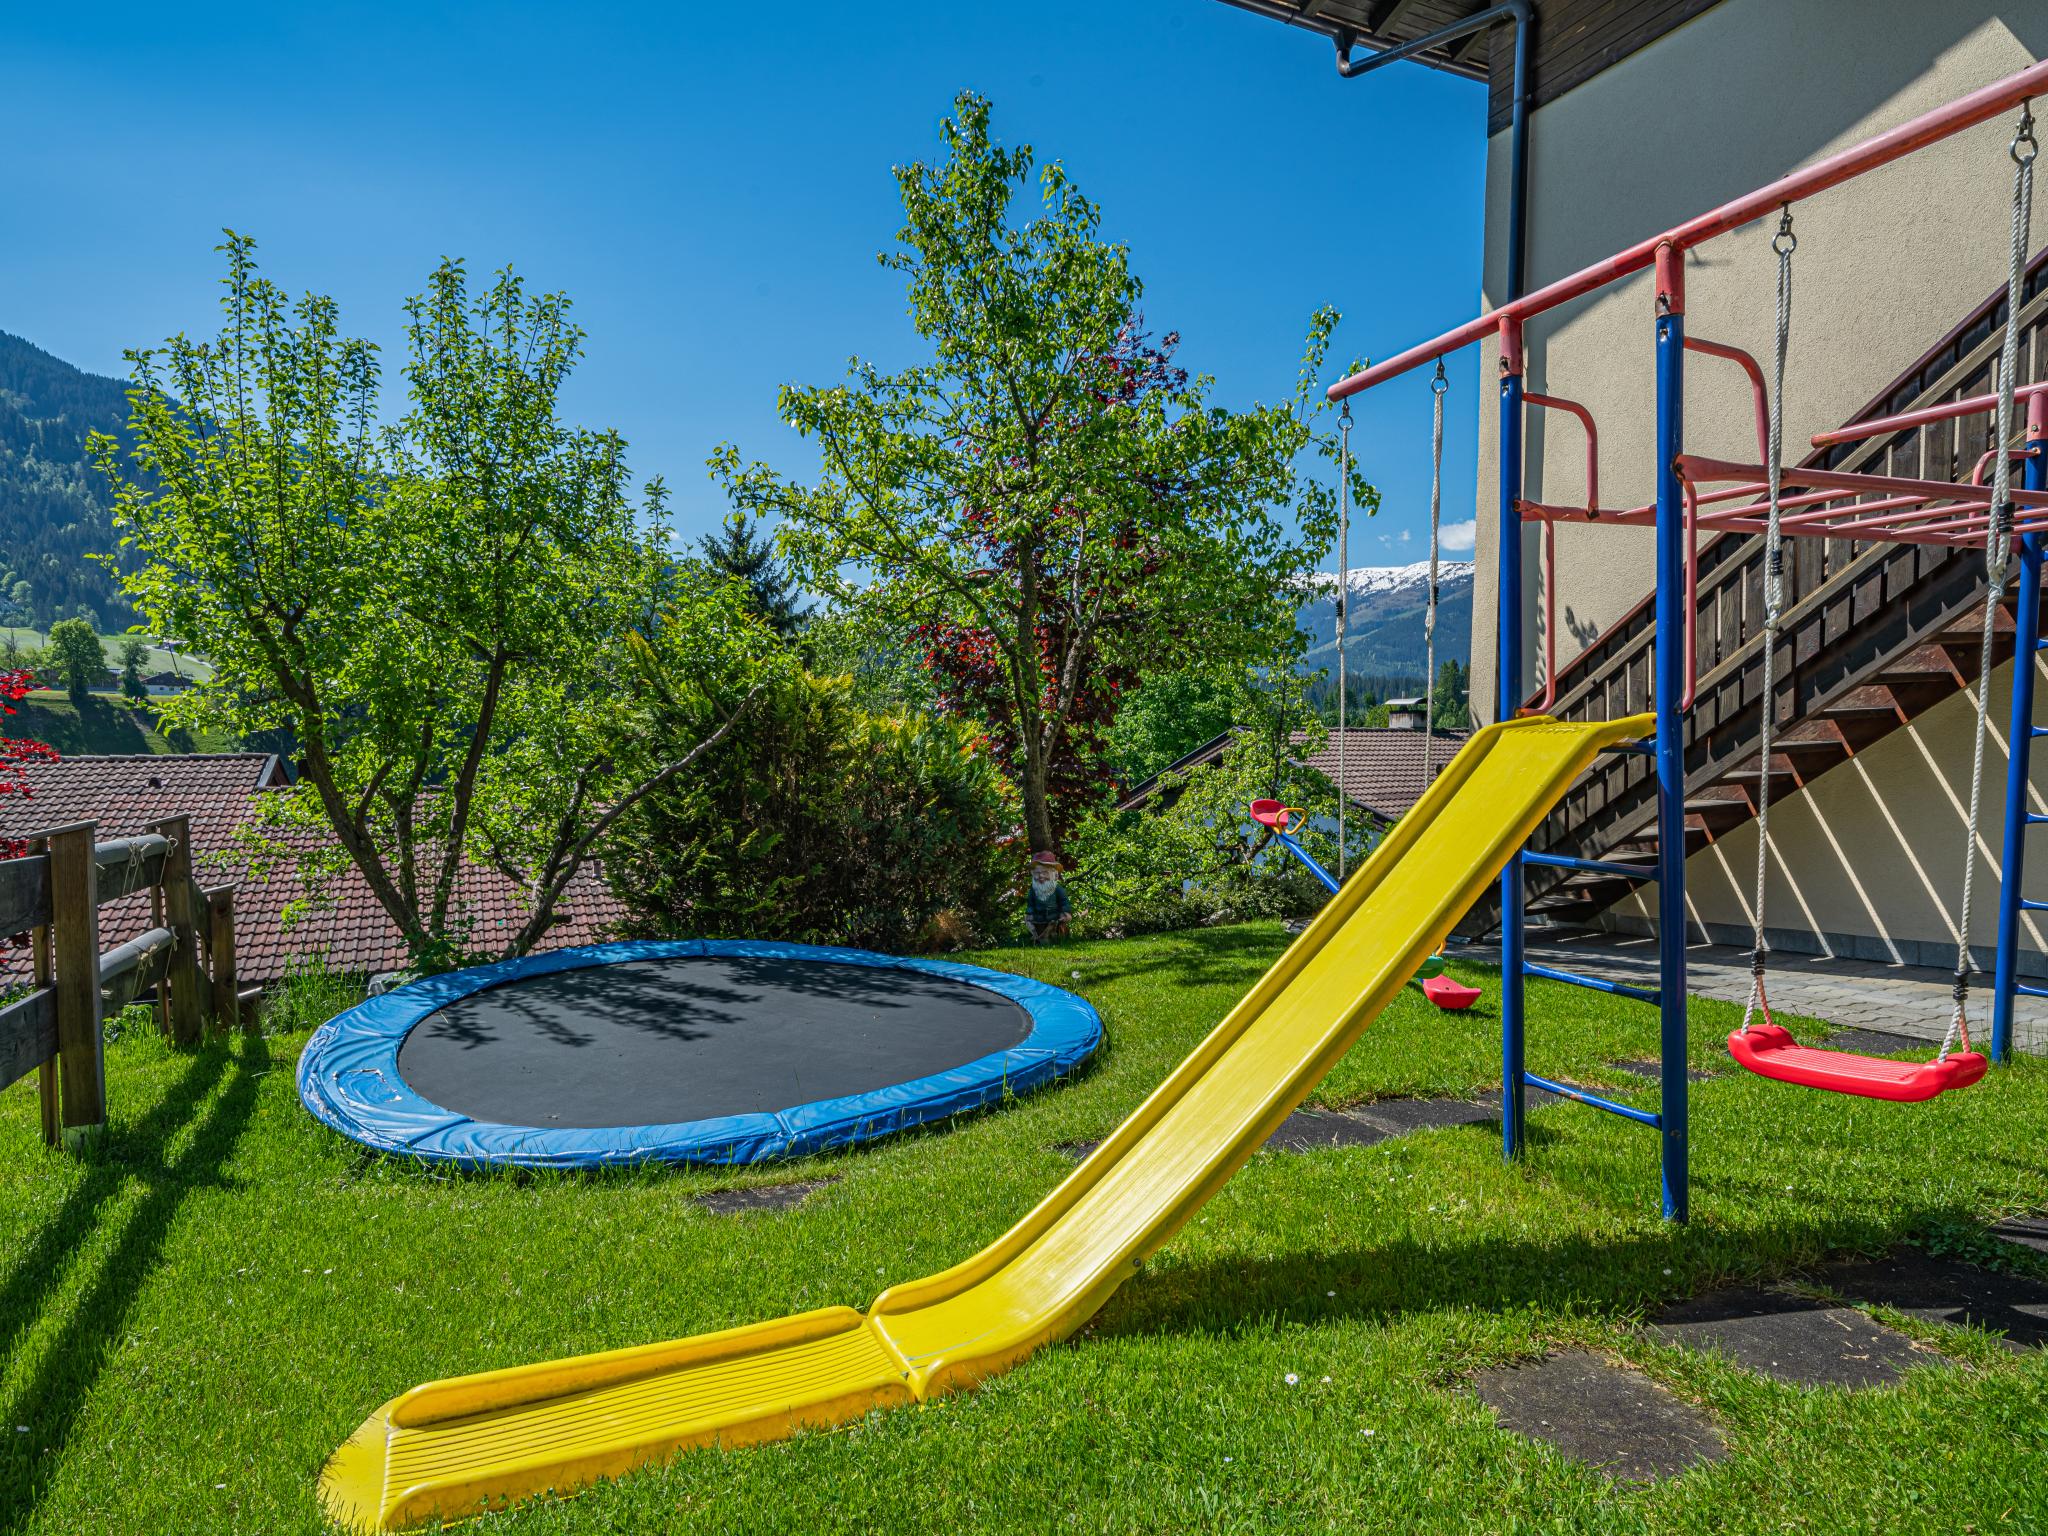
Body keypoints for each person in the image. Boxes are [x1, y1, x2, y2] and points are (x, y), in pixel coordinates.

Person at [1024, 851, 1072, 943]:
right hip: (1038, 918)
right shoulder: (1033, 890)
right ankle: (1036, 937)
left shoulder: (1058, 889)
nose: (1041, 876)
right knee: (1030, 924)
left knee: (1055, 927)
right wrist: (1029, 913)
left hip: (1054, 917)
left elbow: (1064, 902)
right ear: (1033, 874)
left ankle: (1051, 938)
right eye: (1037, 873)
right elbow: (1030, 904)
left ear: (1055, 875)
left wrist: (1065, 912)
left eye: (1045, 872)